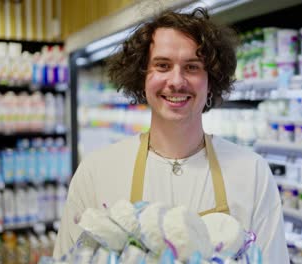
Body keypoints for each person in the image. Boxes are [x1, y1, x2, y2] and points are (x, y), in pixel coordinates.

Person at [53, 7, 289, 262]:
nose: (176, 81)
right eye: (162, 65)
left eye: (192, 67)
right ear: (142, 78)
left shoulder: (253, 173)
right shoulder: (97, 172)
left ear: (211, 80)